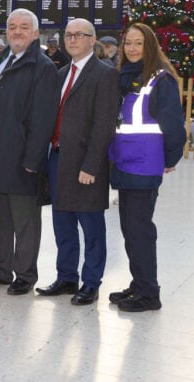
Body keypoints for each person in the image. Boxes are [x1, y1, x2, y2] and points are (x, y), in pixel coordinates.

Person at [35, 18, 119, 305]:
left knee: (91, 225)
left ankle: (91, 282)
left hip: (86, 164)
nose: (71, 39)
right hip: (59, 160)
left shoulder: (104, 75)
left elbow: (104, 125)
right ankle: (67, 277)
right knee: (63, 223)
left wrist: (91, 166)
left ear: (92, 39)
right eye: (68, 35)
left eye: (78, 35)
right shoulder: (60, 74)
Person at [108, 22, 186, 312]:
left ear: (149, 46)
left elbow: (174, 126)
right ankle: (139, 284)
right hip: (125, 163)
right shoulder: (125, 77)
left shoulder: (160, 80)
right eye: (128, 42)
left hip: (145, 166)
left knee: (139, 230)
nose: (131, 48)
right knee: (130, 229)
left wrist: (169, 159)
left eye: (138, 43)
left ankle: (149, 294)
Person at [0, 8, 59, 295]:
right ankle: (0, 268)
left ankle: (25, 274)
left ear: (35, 33)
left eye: (24, 27)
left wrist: (32, 159)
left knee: (25, 220)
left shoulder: (43, 66)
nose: (16, 32)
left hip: (23, 155)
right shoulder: (0, 60)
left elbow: (44, 118)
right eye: (12, 27)